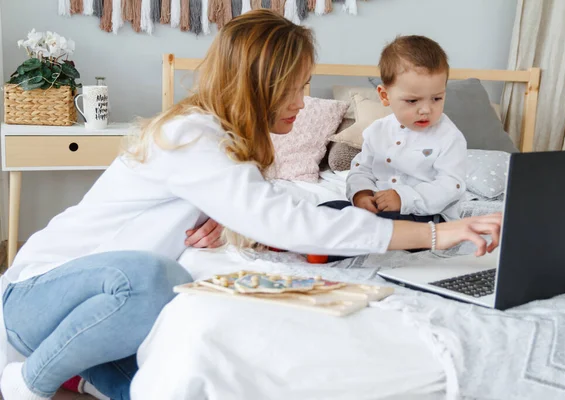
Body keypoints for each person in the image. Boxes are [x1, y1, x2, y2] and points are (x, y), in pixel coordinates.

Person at [0, 10, 501, 400]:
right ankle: (29, 381)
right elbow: (287, 220)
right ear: (259, 84)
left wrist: (221, 210)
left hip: (93, 306)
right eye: (296, 87)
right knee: (148, 279)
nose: (303, 103)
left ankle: (85, 372)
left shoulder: (232, 143)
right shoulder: (190, 136)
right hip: (35, 297)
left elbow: (267, 201)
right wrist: (436, 234)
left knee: (195, 376)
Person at [328, 35, 467, 224]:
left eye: (436, 98)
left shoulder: (449, 137)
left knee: (377, 225)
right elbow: (362, 169)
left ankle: (338, 244)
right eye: (412, 101)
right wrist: (362, 194)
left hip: (427, 215)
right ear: (385, 96)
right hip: (381, 209)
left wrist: (403, 198)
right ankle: (315, 240)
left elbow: (451, 186)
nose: (426, 109)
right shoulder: (377, 131)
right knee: (327, 210)